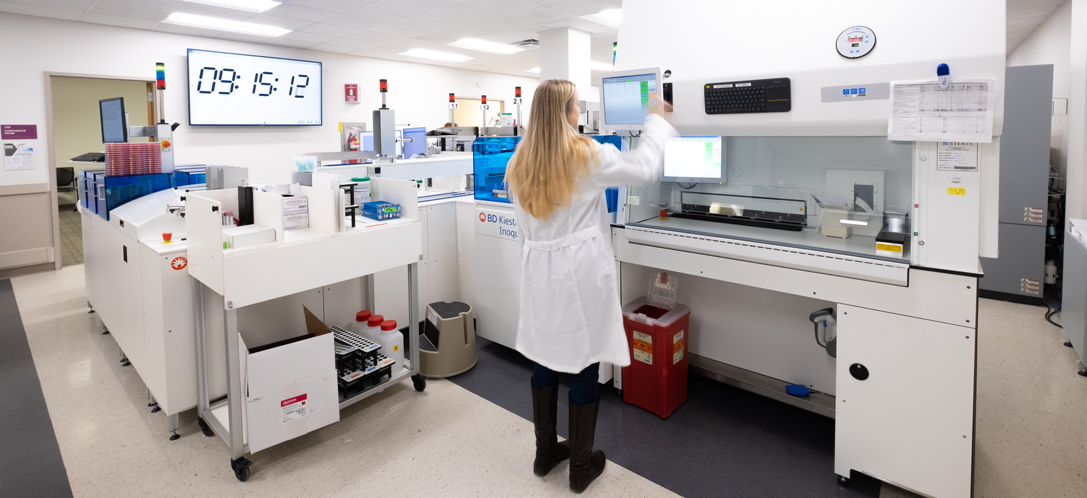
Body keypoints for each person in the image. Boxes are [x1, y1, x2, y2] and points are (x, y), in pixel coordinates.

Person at [505, 79, 676, 493]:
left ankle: (546, 454)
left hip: (539, 271)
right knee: (584, 360)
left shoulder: (519, 161)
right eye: (577, 105)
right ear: (566, 111)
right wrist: (657, 120)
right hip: (577, 272)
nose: (579, 112)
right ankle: (581, 464)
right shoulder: (584, 155)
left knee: (545, 356)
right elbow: (644, 167)